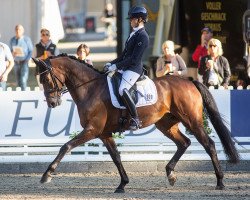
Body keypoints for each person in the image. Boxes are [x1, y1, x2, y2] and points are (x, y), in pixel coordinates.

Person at [104, 6, 149, 130]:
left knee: (122, 89)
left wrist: (116, 66)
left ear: (140, 19)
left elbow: (134, 58)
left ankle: (135, 118)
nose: (130, 21)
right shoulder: (133, 33)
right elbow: (124, 54)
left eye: (132, 19)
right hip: (125, 67)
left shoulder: (143, 36)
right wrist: (111, 63)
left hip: (134, 69)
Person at [10, 24, 33, 91]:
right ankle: (20, 96)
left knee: (23, 80)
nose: (18, 31)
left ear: (23, 31)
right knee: (18, 81)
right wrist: (12, 54)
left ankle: (24, 94)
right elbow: (11, 50)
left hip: (24, 62)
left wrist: (27, 59)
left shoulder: (27, 39)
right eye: (16, 29)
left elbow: (30, 51)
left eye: (19, 29)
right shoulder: (12, 40)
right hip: (16, 62)